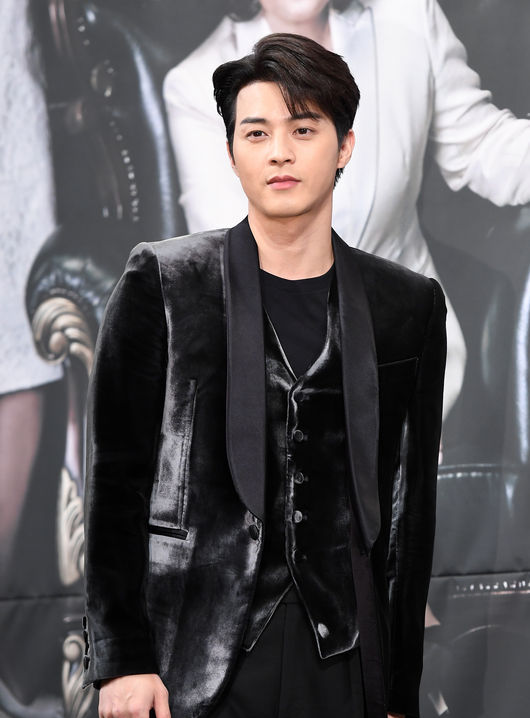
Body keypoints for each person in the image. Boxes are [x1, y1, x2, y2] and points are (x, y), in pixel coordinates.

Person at [81, 32, 447, 718]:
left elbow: (406, 507)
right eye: (257, 131)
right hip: (191, 666)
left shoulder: (406, 306)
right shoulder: (165, 282)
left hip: (334, 664)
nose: (280, 151)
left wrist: (393, 692)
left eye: (304, 128)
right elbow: (116, 480)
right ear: (232, 151)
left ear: (344, 146)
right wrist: (122, 660)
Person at [163, 0, 530, 426]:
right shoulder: (195, 86)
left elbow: (481, 145)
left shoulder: (410, 18)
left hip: (414, 357)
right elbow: (242, 274)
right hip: (280, 391)